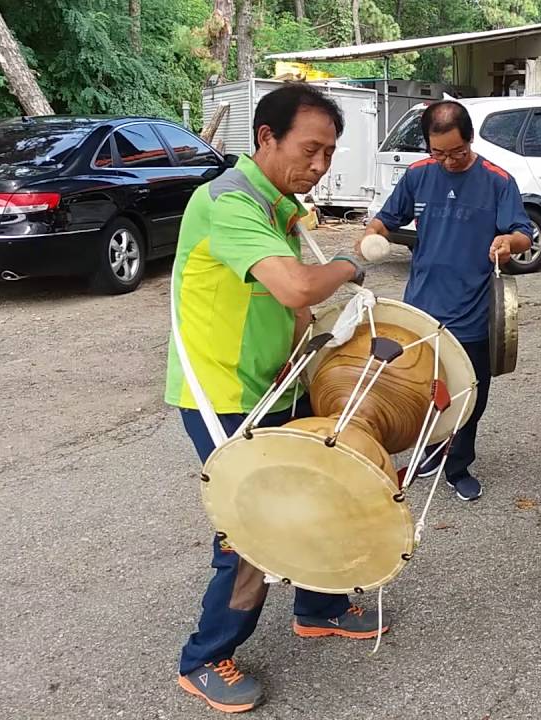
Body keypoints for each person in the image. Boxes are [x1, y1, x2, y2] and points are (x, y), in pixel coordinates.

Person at [164, 84, 387, 714]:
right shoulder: (228, 201)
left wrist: (303, 355)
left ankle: (315, 609)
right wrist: (347, 266)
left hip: (273, 385)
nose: (319, 167)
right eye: (310, 150)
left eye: (329, 154)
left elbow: (288, 307)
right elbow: (294, 286)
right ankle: (206, 658)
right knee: (251, 526)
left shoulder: (276, 205)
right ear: (266, 137)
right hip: (224, 396)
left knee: (313, 492)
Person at [364, 100, 533, 502]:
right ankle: (431, 450)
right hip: (422, 308)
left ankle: (458, 465)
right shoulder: (419, 175)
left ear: (470, 139)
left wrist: (508, 242)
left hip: (473, 309)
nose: (448, 161)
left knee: (470, 393)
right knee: (424, 387)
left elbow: (523, 233)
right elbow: (386, 219)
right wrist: (372, 234)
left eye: (456, 152)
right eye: (438, 153)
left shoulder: (496, 180)